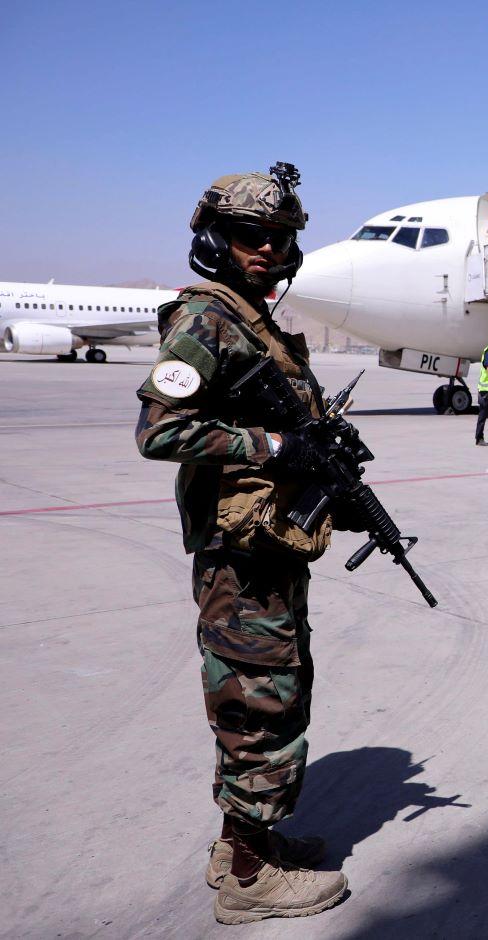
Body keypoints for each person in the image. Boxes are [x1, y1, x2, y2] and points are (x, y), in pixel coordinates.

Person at [135, 165, 349, 924]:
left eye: (277, 237)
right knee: (260, 702)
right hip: (240, 558)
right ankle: (250, 884)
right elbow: (160, 431)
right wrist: (272, 446)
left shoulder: (253, 321)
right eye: (246, 235)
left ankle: (239, 846)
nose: (263, 248)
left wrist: (325, 480)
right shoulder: (207, 318)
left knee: (269, 687)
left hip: (268, 546)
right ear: (216, 239)